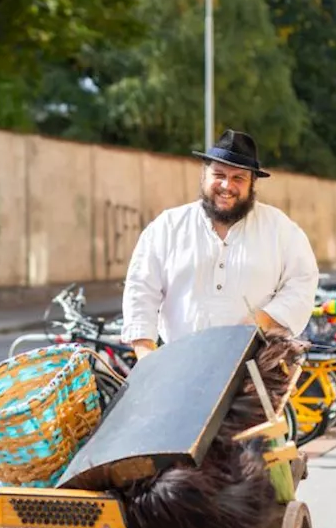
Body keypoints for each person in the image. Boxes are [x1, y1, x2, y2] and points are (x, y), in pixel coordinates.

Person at [120, 129, 320, 360]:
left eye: (238, 178)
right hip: (179, 365)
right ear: (204, 175)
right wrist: (146, 352)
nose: (227, 186)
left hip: (255, 368)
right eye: (219, 174)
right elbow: (141, 289)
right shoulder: (168, 226)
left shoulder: (279, 228)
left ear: (252, 183)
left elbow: (303, 280)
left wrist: (263, 321)